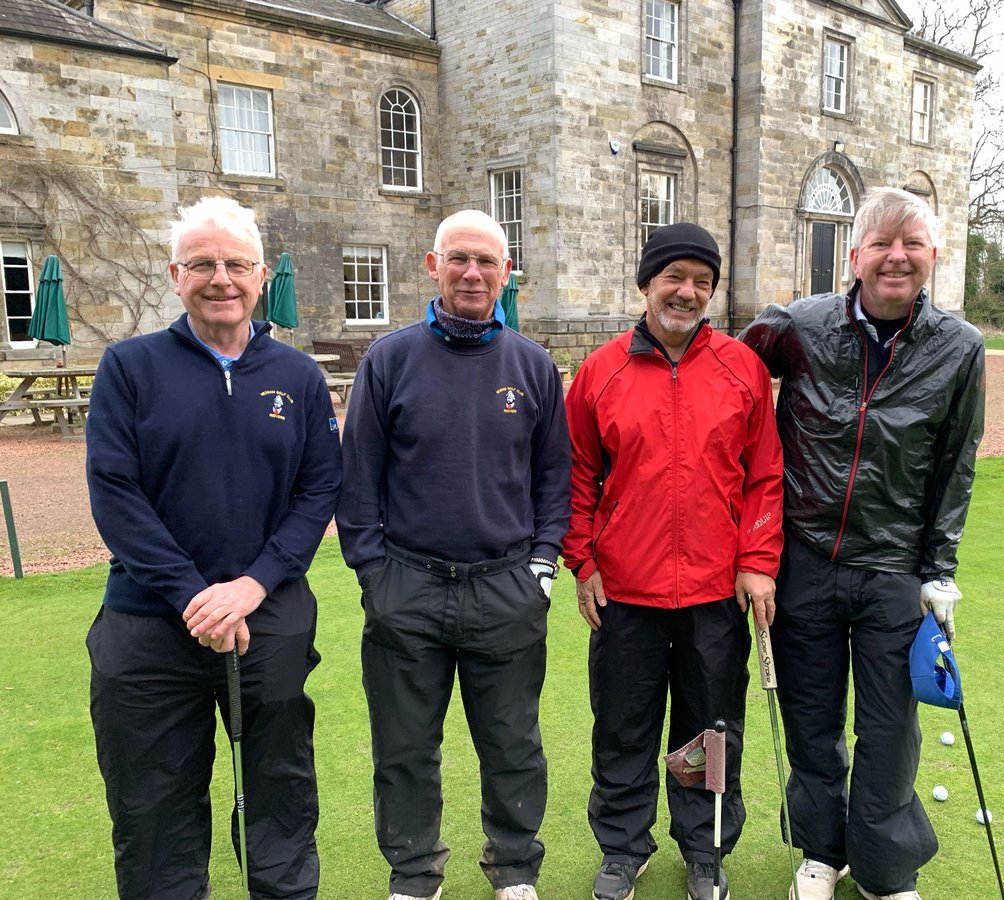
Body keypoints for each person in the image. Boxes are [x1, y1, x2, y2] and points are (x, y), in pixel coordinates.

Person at [85, 195, 342, 900]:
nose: (220, 278)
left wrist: (250, 587)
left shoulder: (297, 377)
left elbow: (318, 493)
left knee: (280, 796)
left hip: (270, 616)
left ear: (261, 276)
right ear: (175, 275)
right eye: (202, 264)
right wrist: (194, 595)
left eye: (235, 264)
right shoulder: (129, 368)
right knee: (153, 808)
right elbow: (115, 493)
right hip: (148, 625)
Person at [738, 187, 986, 900]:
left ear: (932, 256)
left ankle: (883, 869)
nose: (895, 256)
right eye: (881, 242)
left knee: (889, 733)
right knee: (813, 724)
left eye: (911, 243)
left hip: (893, 570)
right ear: (855, 256)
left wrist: (939, 571)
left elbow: (955, 463)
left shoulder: (960, 348)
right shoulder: (798, 324)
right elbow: (724, 387)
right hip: (803, 560)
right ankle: (824, 851)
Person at [336, 210, 571, 900]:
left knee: (512, 746)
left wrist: (543, 566)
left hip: (506, 585)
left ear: (506, 273)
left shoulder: (530, 365)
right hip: (408, 583)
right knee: (405, 749)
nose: (473, 273)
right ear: (433, 265)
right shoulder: (389, 358)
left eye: (488, 262)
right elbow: (359, 480)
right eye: (460, 259)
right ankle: (415, 875)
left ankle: (515, 871)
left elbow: (554, 477)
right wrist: (374, 573)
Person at [562, 222, 784, 900]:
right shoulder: (602, 371)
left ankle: (705, 848)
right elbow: (575, 475)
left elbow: (764, 476)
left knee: (707, 735)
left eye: (701, 281)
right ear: (647, 284)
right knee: (624, 730)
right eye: (674, 278)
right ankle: (624, 849)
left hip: (715, 593)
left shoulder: (740, 367)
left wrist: (758, 560)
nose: (687, 292)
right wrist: (582, 561)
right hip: (625, 592)